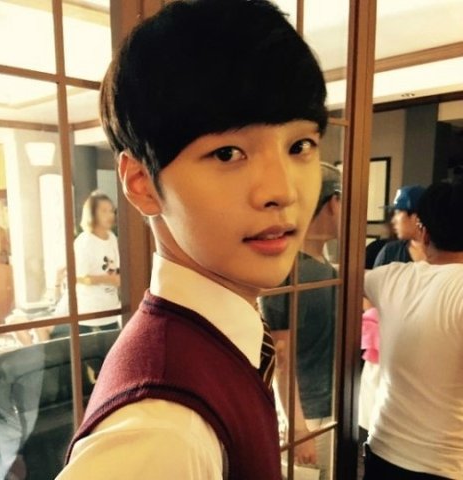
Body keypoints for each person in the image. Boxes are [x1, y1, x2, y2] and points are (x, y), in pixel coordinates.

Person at [56, 1, 328, 479]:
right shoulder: (162, 432)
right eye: (228, 153)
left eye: (299, 146)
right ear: (141, 183)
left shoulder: (220, 342)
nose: (282, 190)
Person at [363, 181, 463, 479]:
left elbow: (339, 276)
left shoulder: (390, 279)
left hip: (383, 451)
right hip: (445, 464)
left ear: (423, 231)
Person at [261, 163, 341, 480]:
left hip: (328, 407)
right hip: (309, 416)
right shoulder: (292, 272)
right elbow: (281, 357)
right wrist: (296, 426)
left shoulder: (326, 269)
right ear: (334, 203)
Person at [54, 191, 121, 332]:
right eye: (104, 211)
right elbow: (76, 277)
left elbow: (115, 267)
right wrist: (106, 279)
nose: (110, 215)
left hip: (111, 310)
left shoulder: (112, 237)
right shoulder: (84, 242)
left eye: (111, 211)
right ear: (92, 214)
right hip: (88, 314)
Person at [373, 185, 426, 267]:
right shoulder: (390, 252)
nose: (393, 221)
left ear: (416, 217)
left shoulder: (443, 254)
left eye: (397, 213)